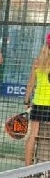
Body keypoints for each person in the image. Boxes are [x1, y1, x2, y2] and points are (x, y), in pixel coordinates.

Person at [24, 32, 50, 165]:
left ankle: (27, 169)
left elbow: (30, 84)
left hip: (38, 103)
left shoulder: (37, 62)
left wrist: (26, 101)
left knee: (32, 136)